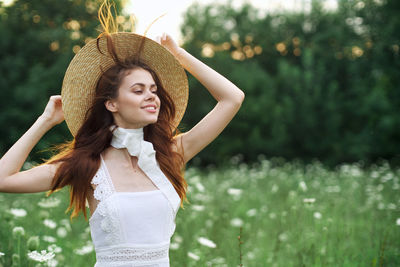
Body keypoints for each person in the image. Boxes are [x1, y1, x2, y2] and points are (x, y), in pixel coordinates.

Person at [0, 1, 244, 266]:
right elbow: (4, 179)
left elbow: (232, 98)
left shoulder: (169, 154)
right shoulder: (87, 164)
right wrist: (45, 120)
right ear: (112, 103)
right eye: (138, 90)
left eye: (154, 90)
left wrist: (180, 56)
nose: (151, 96)